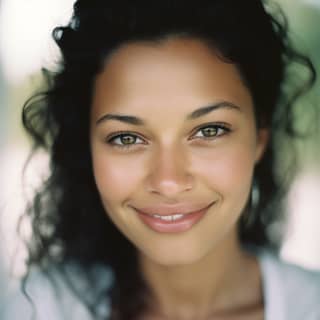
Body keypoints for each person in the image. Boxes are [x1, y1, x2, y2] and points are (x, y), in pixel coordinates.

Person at [2, 0, 320, 319]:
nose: (168, 182)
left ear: (259, 138)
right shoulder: (38, 310)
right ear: (87, 148)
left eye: (209, 130)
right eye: (126, 138)